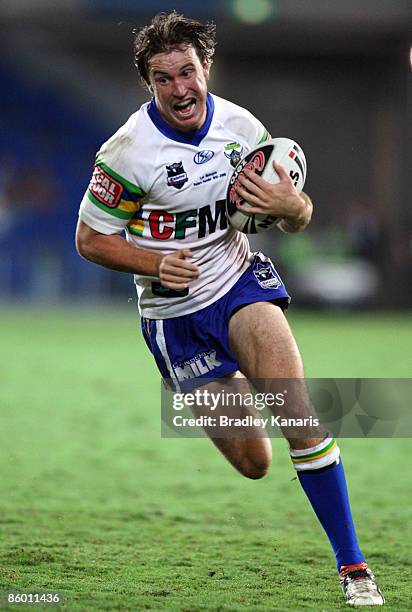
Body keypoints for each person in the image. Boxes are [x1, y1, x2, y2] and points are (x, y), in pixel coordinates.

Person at [75, 11, 384, 606]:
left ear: (205, 67)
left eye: (187, 72)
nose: (179, 88)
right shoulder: (125, 155)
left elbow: (296, 219)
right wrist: (152, 262)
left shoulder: (243, 130)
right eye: (163, 78)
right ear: (149, 84)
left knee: (297, 414)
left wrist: (292, 204)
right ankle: (232, 377)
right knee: (254, 462)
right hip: (174, 320)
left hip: (237, 284)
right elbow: (90, 240)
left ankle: (354, 569)